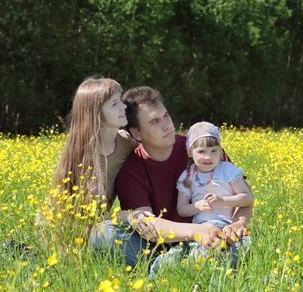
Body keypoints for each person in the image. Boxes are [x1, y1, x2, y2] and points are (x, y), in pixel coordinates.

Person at [92, 86, 253, 268]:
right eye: (154, 122)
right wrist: (197, 231)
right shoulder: (130, 172)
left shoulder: (200, 149)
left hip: (209, 238)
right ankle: (169, 267)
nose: (167, 125)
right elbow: (149, 226)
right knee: (102, 233)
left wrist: (238, 223)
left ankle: (167, 270)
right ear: (136, 133)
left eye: (166, 116)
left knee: (230, 251)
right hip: (155, 246)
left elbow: (245, 196)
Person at [40, 77, 136, 244]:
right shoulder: (82, 155)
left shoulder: (126, 143)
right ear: (96, 114)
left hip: (102, 229)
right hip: (71, 236)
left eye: (121, 101)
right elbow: (79, 220)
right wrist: (121, 216)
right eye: (114, 104)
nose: (124, 106)